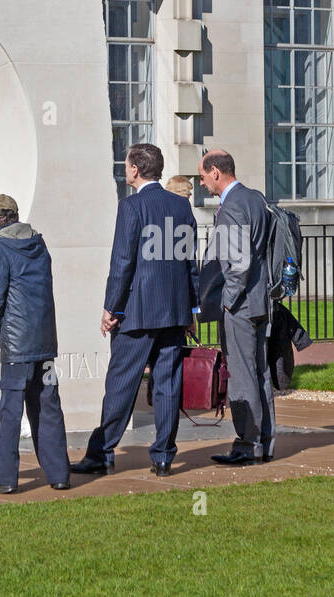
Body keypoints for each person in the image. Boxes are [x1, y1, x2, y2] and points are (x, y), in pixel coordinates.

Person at [71, 144, 199, 478]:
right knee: (167, 385)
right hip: (174, 312)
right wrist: (192, 309)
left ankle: (101, 453)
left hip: (137, 313)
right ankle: (163, 457)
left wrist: (111, 308)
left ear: (135, 170)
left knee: (121, 383)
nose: (125, 169)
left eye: (127, 165)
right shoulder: (181, 206)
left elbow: (123, 261)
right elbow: (189, 262)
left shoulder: (131, 207)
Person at [0, 194, 71, 495]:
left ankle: (4, 477)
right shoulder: (38, 243)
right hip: (43, 339)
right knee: (48, 406)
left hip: (16, 342)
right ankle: (59, 474)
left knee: (11, 410)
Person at [198, 149, 274, 465]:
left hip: (240, 306)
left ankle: (248, 445)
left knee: (242, 376)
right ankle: (263, 444)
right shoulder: (255, 198)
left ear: (216, 172)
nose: (201, 183)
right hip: (259, 301)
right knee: (260, 374)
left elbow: (239, 262)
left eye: (202, 176)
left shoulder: (231, 206)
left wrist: (228, 302)